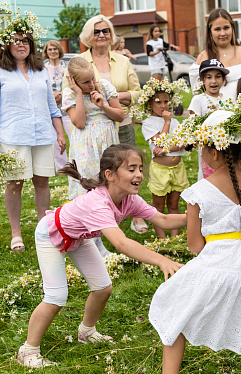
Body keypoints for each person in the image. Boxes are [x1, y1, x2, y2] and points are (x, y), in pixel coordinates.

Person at [148, 110, 241, 374]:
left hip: (220, 264)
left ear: (213, 152)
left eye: (202, 148)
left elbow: (195, 246)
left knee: (173, 308)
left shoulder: (199, 191)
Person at [17, 144, 187, 368]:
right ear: (110, 175)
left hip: (79, 237)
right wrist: (161, 260)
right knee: (56, 297)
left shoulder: (130, 199)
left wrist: (193, 216)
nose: (139, 174)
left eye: (140, 169)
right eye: (131, 169)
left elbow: (163, 220)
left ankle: (86, 332)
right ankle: (28, 351)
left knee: (103, 288)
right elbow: (121, 243)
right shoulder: (98, 203)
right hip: (51, 234)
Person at [0, 32, 66, 252]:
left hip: (42, 135)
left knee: (42, 182)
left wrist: (60, 133)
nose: (21, 45)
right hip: (13, 136)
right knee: (15, 183)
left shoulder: (41, 71)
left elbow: (52, 106)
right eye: (16, 41)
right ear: (7, 45)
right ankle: (16, 233)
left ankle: (43, 230)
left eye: (26, 41)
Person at [64, 15, 146, 234]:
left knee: (124, 171)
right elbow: (78, 119)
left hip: (114, 129)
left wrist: (110, 99)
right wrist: (81, 94)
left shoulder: (122, 62)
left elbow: (135, 93)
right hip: (86, 140)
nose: (101, 35)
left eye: (105, 31)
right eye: (96, 31)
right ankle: (91, 227)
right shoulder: (77, 63)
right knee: (89, 180)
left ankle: (128, 214)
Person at [63, 57, 123, 200]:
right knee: (87, 177)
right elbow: (80, 123)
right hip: (85, 144)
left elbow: (120, 116)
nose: (91, 84)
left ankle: (111, 208)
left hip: (107, 140)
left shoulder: (104, 86)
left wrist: (103, 106)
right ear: (73, 81)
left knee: (111, 175)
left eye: (92, 78)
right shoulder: (70, 94)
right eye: (85, 82)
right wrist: (79, 94)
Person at [142, 90, 189, 238]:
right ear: (150, 103)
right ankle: (162, 239)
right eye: (158, 102)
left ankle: (174, 238)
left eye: (166, 102)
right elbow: (160, 142)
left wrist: (165, 150)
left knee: (174, 204)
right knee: (159, 206)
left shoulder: (175, 122)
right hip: (160, 170)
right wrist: (166, 122)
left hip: (178, 169)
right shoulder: (149, 123)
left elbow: (185, 143)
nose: (163, 106)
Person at [189, 8, 241, 100]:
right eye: (217, 29)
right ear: (210, 32)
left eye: (226, 28)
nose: (222, 33)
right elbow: (197, 94)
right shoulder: (202, 58)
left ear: (232, 28)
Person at [188, 58, 229, 180]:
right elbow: (193, 125)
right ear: (202, 80)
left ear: (223, 79)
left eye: (218, 77)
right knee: (209, 180)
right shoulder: (198, 100)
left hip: (227, 149)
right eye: (209, 77)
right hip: (208, 150)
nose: (214, 81)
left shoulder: (228, 99)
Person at [42, 40, 70, 172]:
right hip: (50, 108)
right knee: (56, 140)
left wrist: (61, 94)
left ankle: (78, 164)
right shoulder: (42, 68)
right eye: (50, 49)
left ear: (59, 50)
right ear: (46, 52)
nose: (53, 52)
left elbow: (72, 83)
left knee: (73, 135)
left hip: (67, 107)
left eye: (55, 49)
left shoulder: (67, 66)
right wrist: (53, 95)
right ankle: (62, 168)